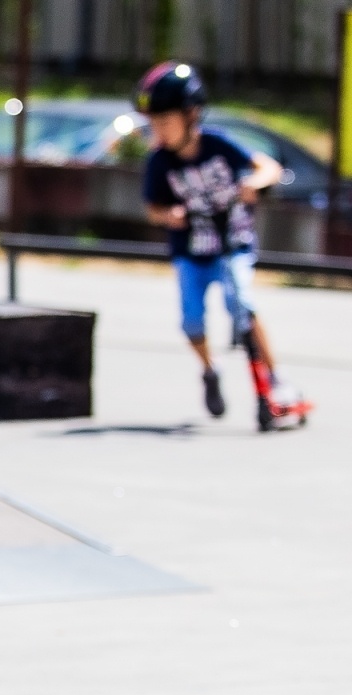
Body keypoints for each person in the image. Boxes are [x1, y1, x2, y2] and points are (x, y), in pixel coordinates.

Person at [136, 61, 304, 429]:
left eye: (164, 122)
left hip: (231, 243)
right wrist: (170, 216)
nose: (158, 131)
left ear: (191, 114)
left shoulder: (217, 145)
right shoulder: (159, 163)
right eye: (154, 124)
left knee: (241, 304)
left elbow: (268, 167)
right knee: (191, 321)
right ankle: (210, 369)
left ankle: (275, 380)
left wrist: (256, 183)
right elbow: (152, 209)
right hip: (190, 252)